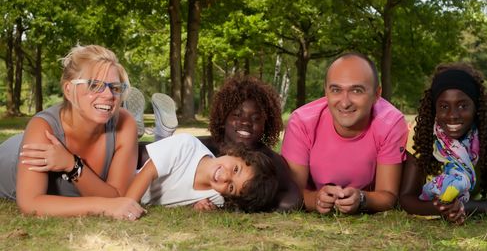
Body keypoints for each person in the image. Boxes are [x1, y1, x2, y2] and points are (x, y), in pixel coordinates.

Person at [0, 45, 143, 219]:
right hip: (12, 155)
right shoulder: (43, 127)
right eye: (94, 85)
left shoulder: (125, 122)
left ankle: (153, 144)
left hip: (60, 150)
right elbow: (30, 203)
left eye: (115, 87)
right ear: (69, 89)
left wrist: (71, 164)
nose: (109, 95)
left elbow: (117, 196)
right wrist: (102, 206)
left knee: (142, 154)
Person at [281, 52, 409, 214]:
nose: (345, 102)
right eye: (336, 90)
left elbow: (388, 195)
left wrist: (362, 199)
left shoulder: (391, 123)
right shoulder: (301, 122)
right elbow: (291, 191)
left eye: (356, 91)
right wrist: (316, 200)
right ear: (326, 91)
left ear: (377, 94)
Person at [399, 63, 487, 224]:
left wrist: (465, 207)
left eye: (462, 106)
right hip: (431, 203)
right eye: (444, 106)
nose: (453, 115)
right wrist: (443, 209)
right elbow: (407, 197)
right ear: (434, 109)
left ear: (476, 106)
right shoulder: (422, 134)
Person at [199, 75, 302, 211]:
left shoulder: (269, 162)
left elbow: (293, 201)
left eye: (256, 118)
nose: (246, 122)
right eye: (237, 115)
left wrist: (246, 203)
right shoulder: (200, 146)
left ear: (266, 125)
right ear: (223, 118)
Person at [125, 133, 279, 215]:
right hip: (123, 181)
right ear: (235, 153)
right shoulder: (186, 146)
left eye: (231, 187)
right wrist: (127, 204)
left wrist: (197, 205)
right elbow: (148, 171)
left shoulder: (217, 198)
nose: (225, 178)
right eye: (235, 169)